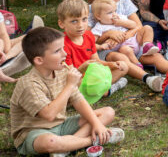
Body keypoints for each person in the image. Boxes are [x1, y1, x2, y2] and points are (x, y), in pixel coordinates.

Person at [10, 27, 124, 156]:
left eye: (63, 48)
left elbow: (77, 99)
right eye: (57, 51)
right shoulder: (29, 84)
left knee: (108, 112)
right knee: (50, 142)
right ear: (39, 60)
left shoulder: (62, 71)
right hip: (34, 133)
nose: (64, 54)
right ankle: (90, 140)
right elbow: (49, 115)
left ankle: (66, 147)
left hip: (61, 125)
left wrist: (97, 124)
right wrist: (70, 85)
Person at [93, 0, 168, 76]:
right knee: (122, 56)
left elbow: (138, 25)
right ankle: (145, 75)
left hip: (132, 42)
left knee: (156, 57)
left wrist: (126, 35)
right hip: (112, 51)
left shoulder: (124, 3)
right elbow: (88, 41)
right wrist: (108, 34)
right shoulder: (95, 9)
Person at [56, 0, 129, 99]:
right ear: (61, 24)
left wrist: (111, 65)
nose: (80, 25)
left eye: (84, 19)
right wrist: (83, 67)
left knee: (123, 66)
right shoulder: (61, 45)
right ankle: (109, 89)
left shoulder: (88, 35)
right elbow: (69, 76)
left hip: (93, 75)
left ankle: (100, 88)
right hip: (76, 78)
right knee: (79, 85)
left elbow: (96, 61)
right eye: (74, 21)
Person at [90, 0, 155, 69]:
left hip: (135, 41)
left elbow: (134, 25)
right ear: (98, 16)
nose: (114, 14)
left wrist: (121, 23)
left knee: (147, 28)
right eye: (110, 13)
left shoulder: (120, 18)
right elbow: (91, 42)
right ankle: (137, 64)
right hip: (123, 48)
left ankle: (147, 45)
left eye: (115, 11)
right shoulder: (99, 27)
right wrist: (101, 46)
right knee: (126, 50)